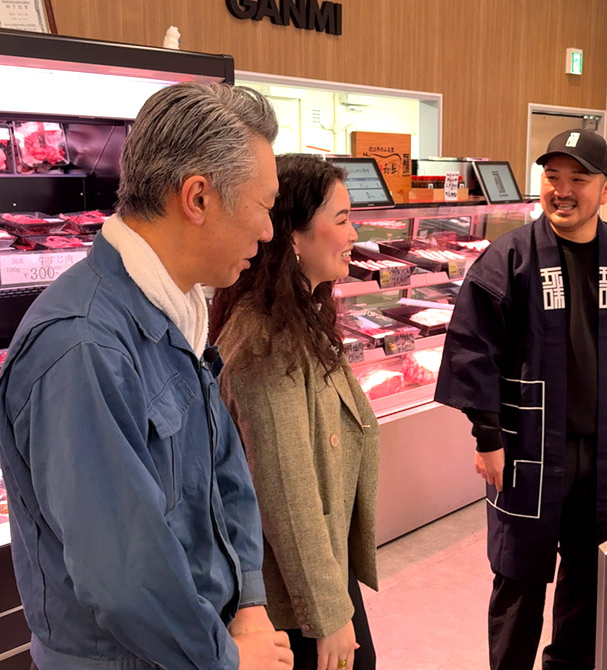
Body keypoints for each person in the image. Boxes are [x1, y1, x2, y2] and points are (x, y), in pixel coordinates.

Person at [0, 82, 294, 670]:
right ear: (198, 197)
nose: (268, 232)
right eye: (264, 207)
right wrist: (225, 659)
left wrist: (249, 601)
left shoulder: (175, 311)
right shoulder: (83, 345)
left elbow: (223, 472)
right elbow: (124, 576)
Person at [435, 128, 607, 670]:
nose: (561, 191)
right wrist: (487, 437)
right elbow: (474, 349)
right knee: (518, 575)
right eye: (552, 176)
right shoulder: (509, 257)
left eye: (578, 179)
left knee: (591, 575)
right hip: (528, 449)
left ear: (606, 190)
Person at [210, 154, 379, 670]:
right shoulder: (266, 342)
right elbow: (287, 490)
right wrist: (328, 614)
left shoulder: (298, 316)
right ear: (293, 237)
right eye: (342, 220)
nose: (354, 235)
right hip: (291, 596)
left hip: (317, 567)